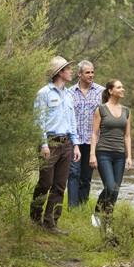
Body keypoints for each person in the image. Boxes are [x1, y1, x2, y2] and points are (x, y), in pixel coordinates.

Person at [31, 56, 80, 234]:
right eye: (68, 69)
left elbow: (72, 120)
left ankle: (51, 223)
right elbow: (38, 120)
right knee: (45, 182)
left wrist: (75, 145)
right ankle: (35, 218)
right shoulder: (44, 93)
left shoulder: (68, 95)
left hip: (66, 143)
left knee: (60, 185)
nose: (71, 71)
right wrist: (43, 144)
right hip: (49, 144)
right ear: (60, 72)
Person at [89, 79, 133, 223]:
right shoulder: (101, 109)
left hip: (119, 155)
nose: (122, 89)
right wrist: (92, 154)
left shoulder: (126, 111)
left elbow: (127, 135)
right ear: (110, 91)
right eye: (119, 87)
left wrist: (129, 157)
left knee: (115, 190)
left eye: (122, 87)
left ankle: (108, 220)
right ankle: (96, 213)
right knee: (110, 186)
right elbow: (94, 134)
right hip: (104, 153)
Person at [67, 60, 104, 207]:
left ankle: (81, 206)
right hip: (74, 141)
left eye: (92, 72)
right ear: (79, 74)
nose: (91, 75)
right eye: (87, 72)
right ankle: (72, 207)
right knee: (73, 173)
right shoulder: (69, 93)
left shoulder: (101, 92)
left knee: (86, 177)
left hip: (92, 141)